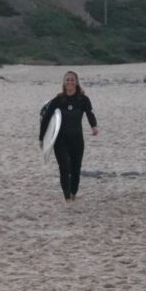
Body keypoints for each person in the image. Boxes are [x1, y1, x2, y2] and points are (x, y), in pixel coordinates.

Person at [39, 71, 98, 202]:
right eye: (67, 80)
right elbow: (46, 119)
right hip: (61, 140)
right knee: (64, 168)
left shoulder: (83, 99)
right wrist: (42, 138)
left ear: (76, 82)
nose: (70, 82)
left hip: (77, 140)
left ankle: (73, 194)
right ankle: (67, 197)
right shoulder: (58, 99)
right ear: (64, 83)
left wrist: (94, 126)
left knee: (76, 169)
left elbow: (90, 113)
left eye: (72, 80)